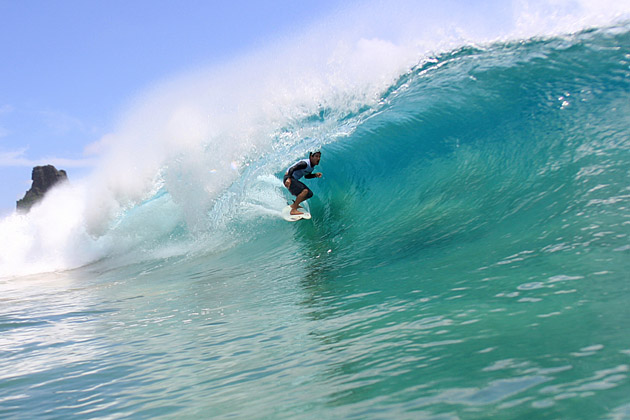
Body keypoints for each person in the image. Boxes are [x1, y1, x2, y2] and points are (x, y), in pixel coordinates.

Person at [283, 151, 322, 215]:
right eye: (316, 156)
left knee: (310, 194)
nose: (318, 158)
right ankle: (293, 210)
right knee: (305, 191)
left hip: (293, 179)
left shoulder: (311, 167)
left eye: (319, 157)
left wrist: (315, 175)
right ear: (311, 157)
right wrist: (289, 179)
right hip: (288, 178)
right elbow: (292, 169)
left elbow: (306, 176)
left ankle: (294, 205)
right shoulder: (304, 164)